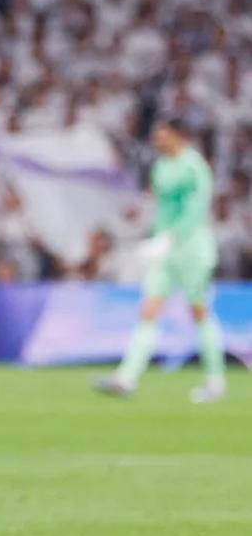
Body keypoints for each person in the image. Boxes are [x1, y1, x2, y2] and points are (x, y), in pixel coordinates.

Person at [95, 119, 225, 403]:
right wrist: (151, 233)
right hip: (164, 250)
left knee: (200, 311)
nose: (157, 141)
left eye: (162, 136)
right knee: (149, 309)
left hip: (192, 249)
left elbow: (196, 210)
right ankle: (127, 377)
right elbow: (158, 205)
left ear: (178, 135)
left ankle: (215, 380)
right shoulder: (161, 167)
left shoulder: (195, 167)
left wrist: (171, 238)